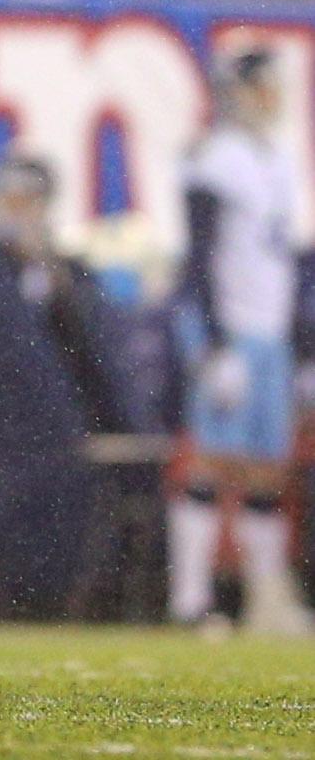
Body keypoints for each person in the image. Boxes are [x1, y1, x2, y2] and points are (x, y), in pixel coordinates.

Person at [0, 153, 134, 617]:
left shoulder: (57, 268)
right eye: (10, 200)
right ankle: (10, 599)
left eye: (29, 202)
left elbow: (87, 354)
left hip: (40, 430)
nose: (19, 213)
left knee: (74, 473)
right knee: (22, 484)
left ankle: (57, 600)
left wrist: (51, 284)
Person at [170, 46, 311, 632]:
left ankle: (263, 601)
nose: (274, 98)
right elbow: (198, 259)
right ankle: (189, 600)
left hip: (270, 333)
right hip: (226, 327)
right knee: (210, 462)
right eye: (264, 86)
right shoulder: (217, 159)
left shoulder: (280, 159)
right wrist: (215, 344)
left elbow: (297, 266)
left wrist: (304, 350)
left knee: (266, 471)